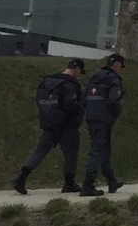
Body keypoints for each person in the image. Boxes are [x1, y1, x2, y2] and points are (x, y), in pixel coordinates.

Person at [13, 59, 85, 195]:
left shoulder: (47, 81)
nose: (79, 75)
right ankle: (69, 184)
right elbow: (70, 105)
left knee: (40, 152)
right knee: (71, 154)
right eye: (80, 72)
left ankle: (21, 178)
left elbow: (40, 101)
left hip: (49, 123)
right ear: (76, 69)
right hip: (67, 125)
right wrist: (81, 106)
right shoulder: (69, 84)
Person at [79, 52, 127, 196]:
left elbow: (83, 98)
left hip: (91, 117)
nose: (121, 69)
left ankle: (112, 181)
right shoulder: (113, 79)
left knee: (103, 149)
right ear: (117, 65)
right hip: (104, 119)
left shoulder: (95, 76)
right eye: (121, 67)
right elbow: (114, 100)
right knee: (97, 151)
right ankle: (88, 186)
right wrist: (115, 114)